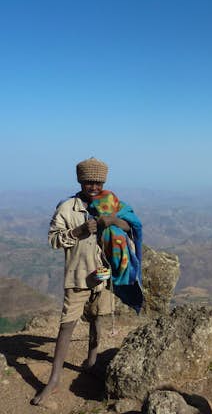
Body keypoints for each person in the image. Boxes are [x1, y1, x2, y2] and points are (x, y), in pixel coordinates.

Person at [32, 157, 140, 406]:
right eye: (89, 181)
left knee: (98, 320)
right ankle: (54, 380)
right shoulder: (67, 208)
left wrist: (112, 221)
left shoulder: (111, 203)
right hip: (78, 276)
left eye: (98, 181)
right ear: (80, 180)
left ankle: (91, 363)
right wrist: (80, 231)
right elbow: (53, 240)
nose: (93, 186)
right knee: (67, 326)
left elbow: (131, 226)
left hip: (104, 277)